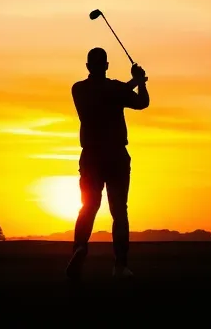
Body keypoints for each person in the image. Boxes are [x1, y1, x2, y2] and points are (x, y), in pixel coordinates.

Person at [66, 47, 149, 280]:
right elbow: (142, 102)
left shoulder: (79, 89)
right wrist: (139, 80)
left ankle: (80, 247)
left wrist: (136, 81)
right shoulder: (113, 88)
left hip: (91, 156)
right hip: (115, 155)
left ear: (87, 66)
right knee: (119, 212)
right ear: (106, 66)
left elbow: (129, 97)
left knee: (89, 206)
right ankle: (120, 265)